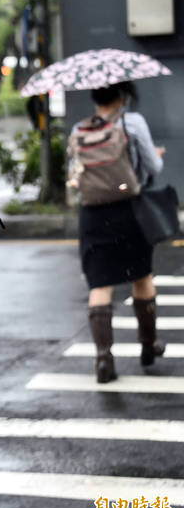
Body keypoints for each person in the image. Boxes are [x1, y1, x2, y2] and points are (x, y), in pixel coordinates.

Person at [71, 81, 166, 383]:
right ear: (122, 96)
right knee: (141, 277)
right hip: (129, 211)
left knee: (100, 284)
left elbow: (73, 175)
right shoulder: (132, 122)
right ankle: (149, 345)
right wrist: (157, 154)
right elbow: (154, 166)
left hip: (92, 215)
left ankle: (103, 360)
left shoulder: (78, 129)